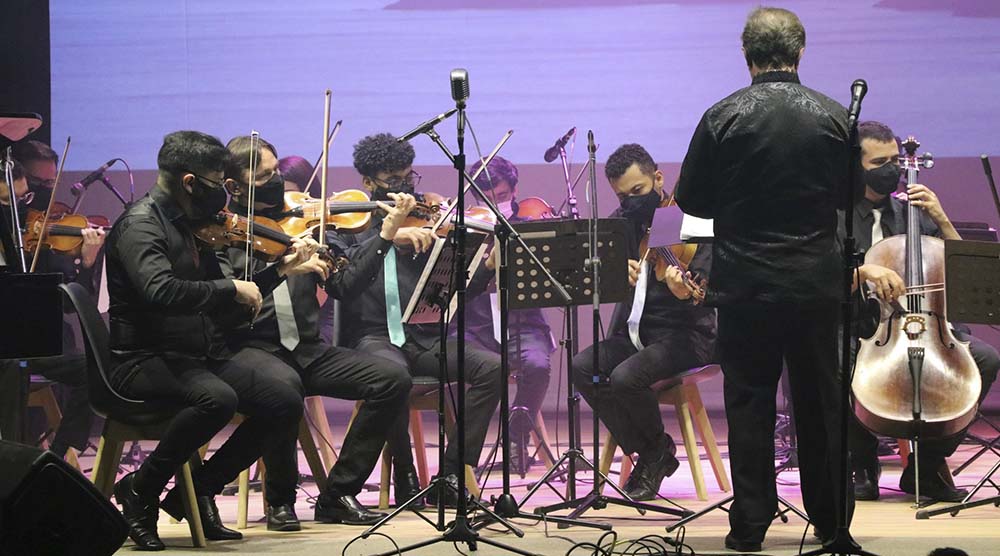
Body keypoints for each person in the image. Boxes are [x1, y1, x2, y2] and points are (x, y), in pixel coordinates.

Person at [675, 7, 850, 552]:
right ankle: (831, 522)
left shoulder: (723, 115)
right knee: (820, 403)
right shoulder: (832, 115)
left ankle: (749, 525)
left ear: (746, 55)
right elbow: (849, 196)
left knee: (749, 402)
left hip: (746, 285)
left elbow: (692, 199)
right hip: (817, 285)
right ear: (800, 53)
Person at [105, 130, 314, 550]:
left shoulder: (192, 224)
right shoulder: (141, 225)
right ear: (189, 182)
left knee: (284, 402)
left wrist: (278, 272)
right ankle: (140, 491)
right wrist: (230, 288)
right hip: (142, 359)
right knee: (216, 399)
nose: (224, 192)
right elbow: (161, 291)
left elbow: (222, 305)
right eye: (218, 181)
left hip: (192, 353)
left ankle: (193, 493)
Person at [219, 135, 415, 528]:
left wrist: (384, 235)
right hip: (254, 351)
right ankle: (280, 500)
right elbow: (227, 307)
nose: (278, 183)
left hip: (307, 349)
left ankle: (339, 493)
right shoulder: (223, 234)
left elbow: (345, 286)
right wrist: (282, 266)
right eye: (264, 177)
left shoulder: (306, 223)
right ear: (234, 187)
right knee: (283, 387)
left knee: (391, 378)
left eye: (277, 172)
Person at [336, 132, 502, 507]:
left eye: (409, 176)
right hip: (374, 337)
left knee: (493, 366)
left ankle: (451, 473)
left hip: (425, 337)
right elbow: (344, 280)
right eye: (393, 179)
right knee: (391, 376)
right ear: (367, 182)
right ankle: (405, 474)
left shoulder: (429, 218)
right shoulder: (350, 225)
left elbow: (454, 291)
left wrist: (485, 270)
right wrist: (387, 236)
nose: (405, 187)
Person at [844, 120, 999, 503]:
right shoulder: (837, 216)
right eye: (880, 161)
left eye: (895, 159)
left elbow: (961, 269)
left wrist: (942, 219)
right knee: (836, 359)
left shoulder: (912, 210)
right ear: (855, 166)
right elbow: (819, 273)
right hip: (863, 324)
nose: (892, 169)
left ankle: (926, 466)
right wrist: (864, 269)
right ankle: (862, 463)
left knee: (985, 358)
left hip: (927, 323)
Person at [572, 144, 715, 501]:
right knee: (582, 366)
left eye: (638, 191)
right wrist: (615, 274)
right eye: (623, 195)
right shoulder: (621, 225)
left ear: (658, 178)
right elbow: (597, 283)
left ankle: (652, 458)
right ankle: (654, 450)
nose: (631, 201)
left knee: (625, 377)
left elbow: (706, 278)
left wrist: (684, 285)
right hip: (636, 334)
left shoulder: (686, 218)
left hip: (686, 334)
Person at [0, 147, 99, 463]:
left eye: (23, 200)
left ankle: (57, 460)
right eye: (7, 202)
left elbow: (67, 306)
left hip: (27, 343)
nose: (19, 212)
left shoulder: (33, 241)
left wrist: (86, 262)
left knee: (93, 370)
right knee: (11, 366)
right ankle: (12, 461)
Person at [462, 155, 555, 473]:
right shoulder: (465, 226)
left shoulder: (529, 224)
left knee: (537, 365)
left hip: (523, 323)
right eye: (486, 198)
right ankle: (462, 455)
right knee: (458, 369)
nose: (495, 204)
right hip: (475, 327)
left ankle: (516, 435)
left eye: (501, 197)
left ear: (514, 191)